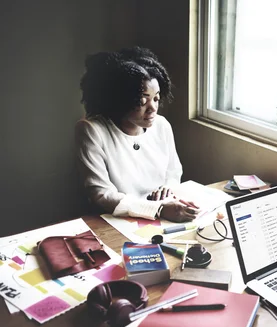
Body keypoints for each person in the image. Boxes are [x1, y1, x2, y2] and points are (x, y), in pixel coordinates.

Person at [75, 47, 198, 222]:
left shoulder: (162, 125)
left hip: (164, 215)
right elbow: (101, 194)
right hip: (115, 221)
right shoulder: (91, 130)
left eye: (156, 98)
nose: (153, 108)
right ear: (120, 99)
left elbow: (173, 171)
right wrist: (158, 209)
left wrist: (168, 189)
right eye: (142, 101)